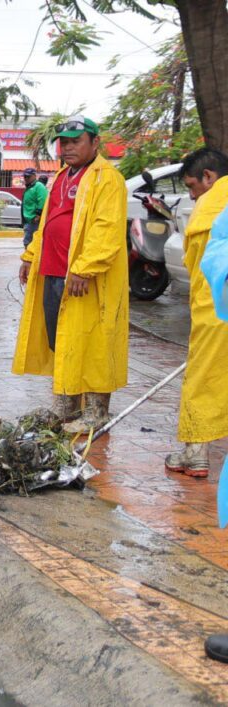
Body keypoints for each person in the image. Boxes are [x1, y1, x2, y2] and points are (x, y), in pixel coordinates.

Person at [12, 115, 128, 434]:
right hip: (52, 271)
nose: (69, 147)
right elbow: (48, 222)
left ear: (95, 142)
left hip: (82, 277)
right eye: (64, 142)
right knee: (60, 339)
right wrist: (30, 256)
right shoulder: (62, 176)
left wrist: (84, 268)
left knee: (91, 340)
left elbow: (107, 229)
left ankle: (96, 409)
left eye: (76, 140)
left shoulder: (107, 178)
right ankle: (67, 405)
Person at [162, 148, 228, 478]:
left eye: (191, 186)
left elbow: (194, 265)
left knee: (202, 379)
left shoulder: (209, 209)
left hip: (216, 312)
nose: (191, 195)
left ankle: (195, 454)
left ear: (208, 177)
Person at [21, 167, 47, 249]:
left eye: (28, 176)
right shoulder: (29, 187)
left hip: (34, 220)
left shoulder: (38, 186)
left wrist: (38, 215)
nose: (26, 178)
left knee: (29, 243)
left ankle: (30, 260)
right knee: (28, 242)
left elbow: (43, 200)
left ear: (34, 176)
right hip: (28, 219)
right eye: (25, 177)